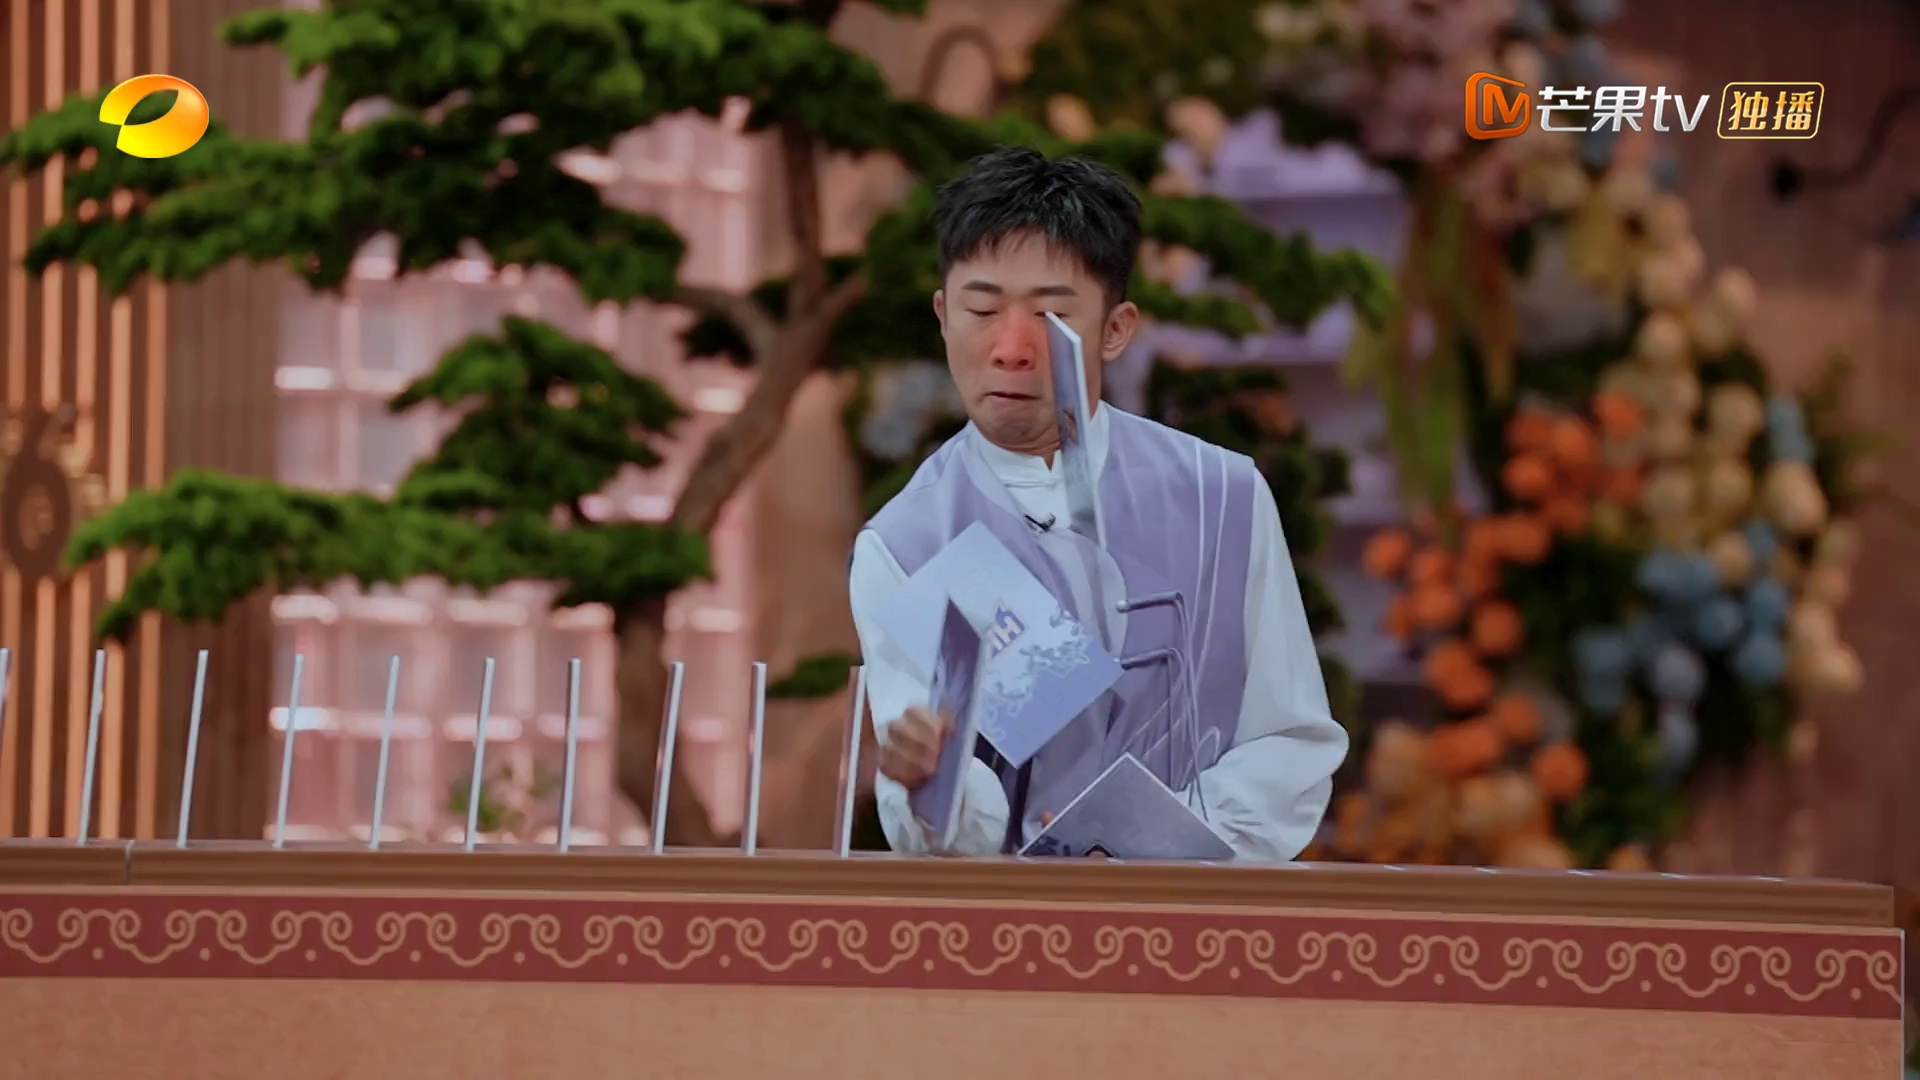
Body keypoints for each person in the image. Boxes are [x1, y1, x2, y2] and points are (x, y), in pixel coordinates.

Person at [848, 146, 1348, 860]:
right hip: (1019, 922)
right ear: (942, 315)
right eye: (981, 309)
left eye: (1051, 315)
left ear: (1115, 329)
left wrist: (1158, 844)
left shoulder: (1222, 496)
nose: (1010, 348)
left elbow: (1288, 739)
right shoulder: (908, 544)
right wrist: (931, 785)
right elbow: (951, 822)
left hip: (1202, 906)